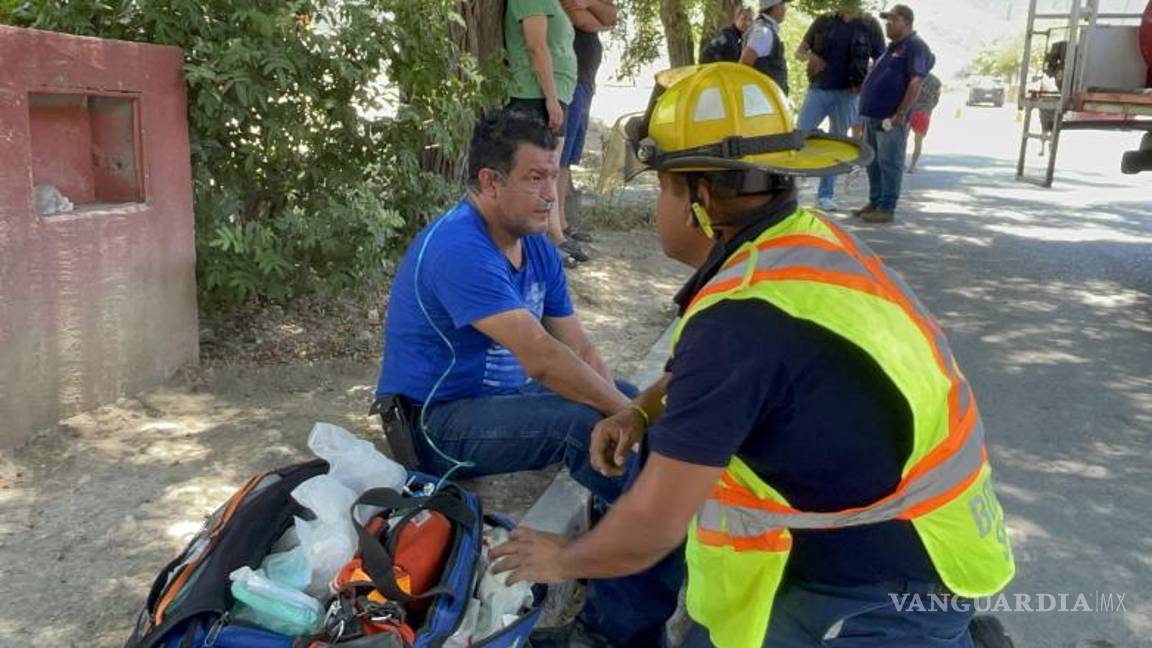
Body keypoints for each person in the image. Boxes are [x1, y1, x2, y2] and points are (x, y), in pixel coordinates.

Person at [492, 63, 1016, 647]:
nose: (657, 208)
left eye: (662, 186)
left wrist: (562, 558)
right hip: (874, 535)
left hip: (886, 584)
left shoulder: (739, 322)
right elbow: (738, 376)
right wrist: (641, 410)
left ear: (701, 198)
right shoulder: (797, 243)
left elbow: (655, 525)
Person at [373, 110, 683, 646]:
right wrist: (622, 418)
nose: (550, 194)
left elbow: (577, 346)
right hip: (435, 427)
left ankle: (630, 558)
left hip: (501, 403)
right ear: (491, 183)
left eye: (554, 176)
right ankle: (616, 627)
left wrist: (627, 410)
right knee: (580, 425)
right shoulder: (458, 247)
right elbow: (541, 357)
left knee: (633, 404)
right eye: (535, 178)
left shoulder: (534, 242)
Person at [504, 0, 583, 264]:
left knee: (549, 171)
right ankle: (536, 247)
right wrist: (550, 97)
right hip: (534, 96)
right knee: (534, 174)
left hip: (553, 95)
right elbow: (536, 46)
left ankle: (552, 239)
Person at [794, 1, 886, 211]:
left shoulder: (869, 24)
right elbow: (799, 52)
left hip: (848, 94)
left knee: (839, 143)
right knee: (799, 137)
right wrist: (811, 56)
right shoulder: (824, 21)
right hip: (818, 90)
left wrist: (867, 82)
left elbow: (881, 60)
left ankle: (825, 195)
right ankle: (793, 190)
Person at [853, 4, 934, 223]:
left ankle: (887, 207)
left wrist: (901, 113)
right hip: (873, 115)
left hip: (891, 117)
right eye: (886, 20)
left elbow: (916, 81)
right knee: (873, 162)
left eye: (893, 20)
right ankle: (876, 201)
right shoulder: (892, 48)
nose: (887, 24)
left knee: (890, 162)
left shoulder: (915, 47)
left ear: (906, 22)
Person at [558, 0, 618, 263]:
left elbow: (612, 16)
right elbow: (578, 19)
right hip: (571, 79)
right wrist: (599, 20)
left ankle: (563, 224)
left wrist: (592, 5)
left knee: (569, 158)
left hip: (585, 81)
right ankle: (557, 229)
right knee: (559, 159)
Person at [741, 0, 791, 95]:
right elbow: (745, 61)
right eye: (783, 4)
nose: (785, 9)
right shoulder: (764, 32)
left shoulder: (765, 29)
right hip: (760, 100)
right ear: (774, 7)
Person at [907, 71, 942, 173]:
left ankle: (901, 163)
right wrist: (929, 108)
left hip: (910, 110)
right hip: (924, 112)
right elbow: (936, 99)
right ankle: (912, 166)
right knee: (918, 142)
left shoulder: (914, 76)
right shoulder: (936, 81)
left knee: (903, 139)